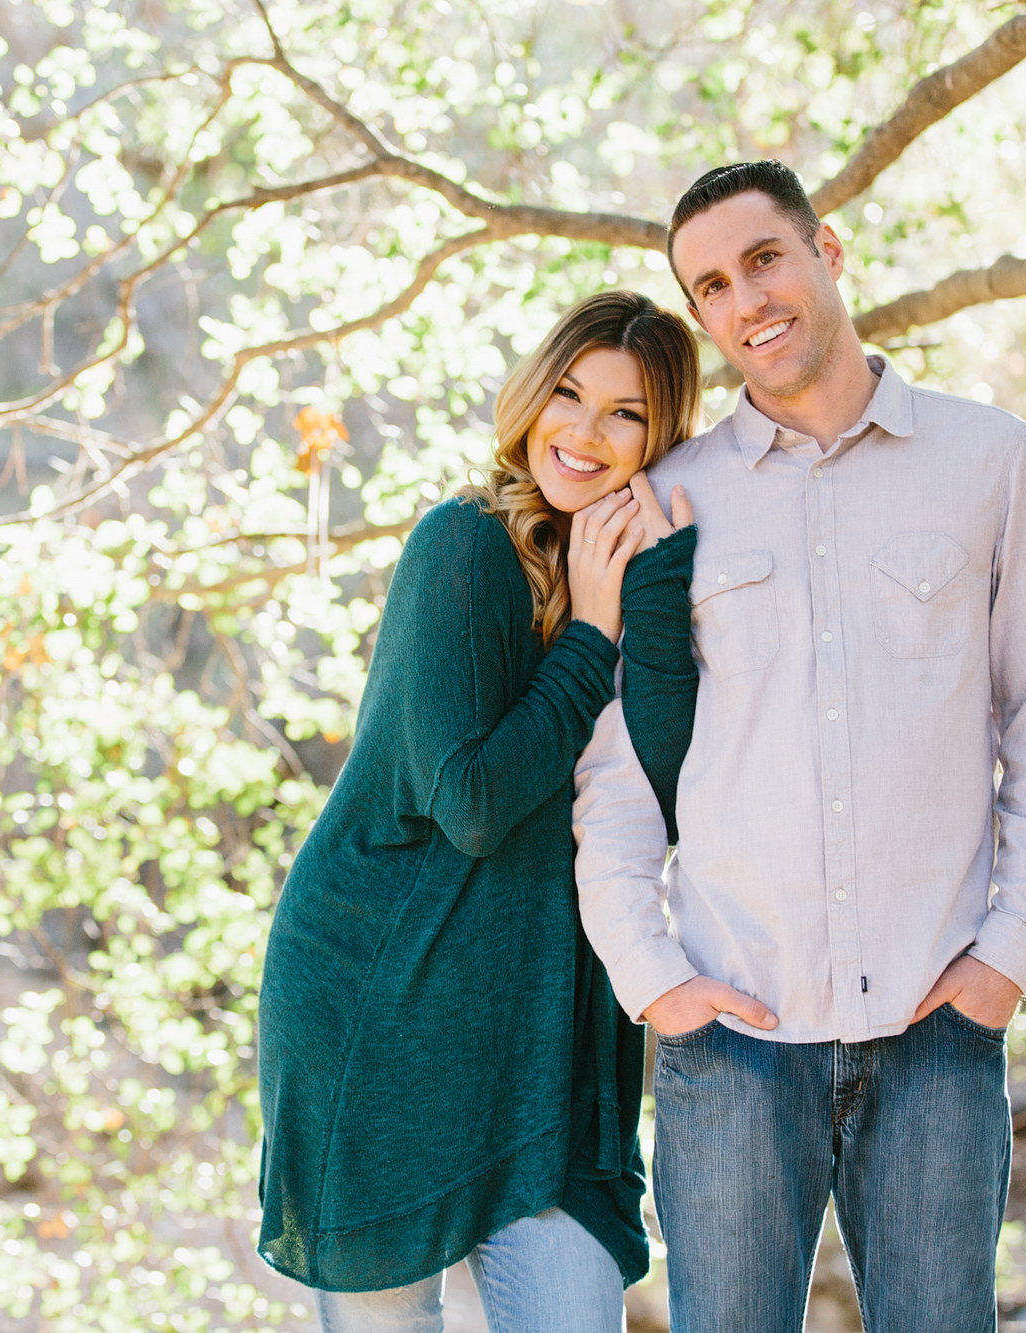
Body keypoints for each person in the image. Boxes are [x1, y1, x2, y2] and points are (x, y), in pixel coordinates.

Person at [572, 160, 1026, 1332]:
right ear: (700, 317)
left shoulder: (990, 461)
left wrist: (1006, 959)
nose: (745, 299)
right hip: (731, 1041)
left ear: (827, 250)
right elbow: (615, 779)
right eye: (709, 286)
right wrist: (652, 980)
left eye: (763, 259)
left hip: (935, 1030)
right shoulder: (670, 499)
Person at [258, 290, 705, 1332]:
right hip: (382, 1006)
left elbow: (669, 769)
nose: (585, 434)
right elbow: (468, 802)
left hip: (541, 1028)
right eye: (567, 394)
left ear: (661, 435)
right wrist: (587, 635)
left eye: (625, 414)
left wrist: (651, 577)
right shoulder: (461, 548)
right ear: (530, 394)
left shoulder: (616, 561)